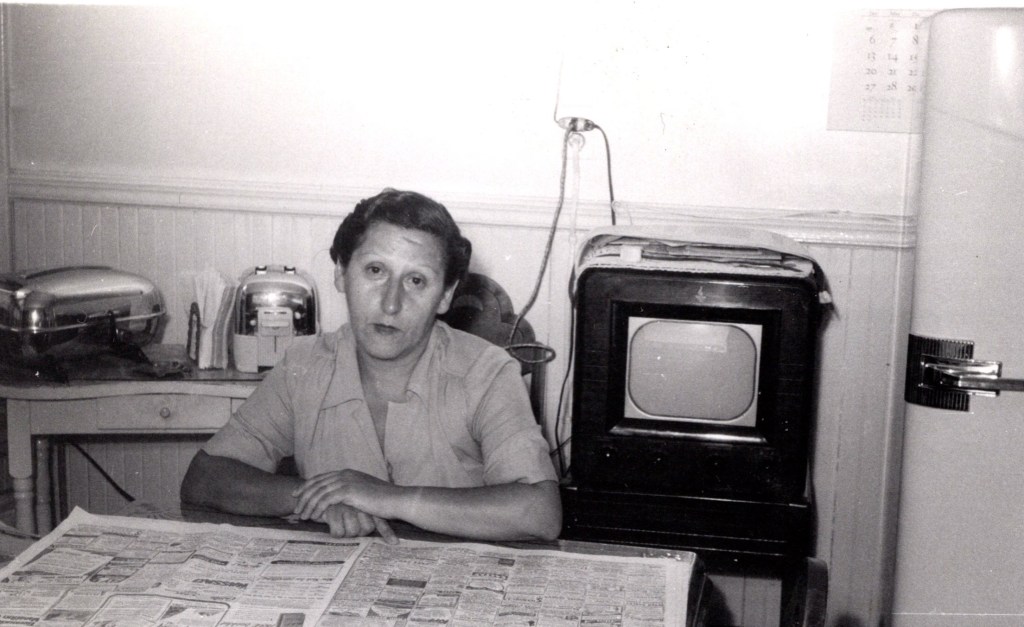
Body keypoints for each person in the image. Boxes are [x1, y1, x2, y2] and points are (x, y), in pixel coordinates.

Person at [180, 189, 561, 543]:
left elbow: (540, 513)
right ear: (341, 273)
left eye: (416, 281)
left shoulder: (487, 372)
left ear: (445, 295)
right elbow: (204, 477)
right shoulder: (305, 365)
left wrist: (387, 498)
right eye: (375, 271)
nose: (391, 304)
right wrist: (318, 499)